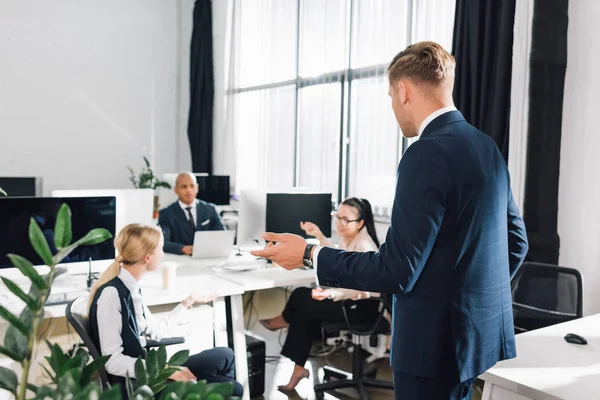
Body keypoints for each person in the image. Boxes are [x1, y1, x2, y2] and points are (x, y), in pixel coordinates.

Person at [252, 41, 529, 400]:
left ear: (403, 90)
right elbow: (516, 243)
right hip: (478, 337)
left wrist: (309, 254)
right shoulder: (485, 146)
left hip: (431, 345)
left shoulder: (426, 153)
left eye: (389, 95)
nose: (393, 107)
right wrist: (468, 304)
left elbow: (397, 270)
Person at [88, 224, 243, 397]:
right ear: (147, 258)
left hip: (149, 368)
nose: (162, 254)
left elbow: (155, 331)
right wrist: (163, 370)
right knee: (234, 388)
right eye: (161, 249)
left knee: (225, 355)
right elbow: (112, 362)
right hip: (136, 382)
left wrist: (188, 302)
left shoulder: (131, 288)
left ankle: (203, 389)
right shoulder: (111, 295)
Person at [259, 197, 381, 392]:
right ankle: (298, 370)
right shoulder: (350, 237)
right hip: (347, 303)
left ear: (360, 223)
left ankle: (282, 320)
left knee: (301, 296)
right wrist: (317, 234)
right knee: (306, 311)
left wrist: (331, 293)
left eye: (345, 219)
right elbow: (337, 256)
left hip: (362, 309)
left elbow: (366, 288)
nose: (339, 223)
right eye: (337, 217)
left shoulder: (365, 245)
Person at [158, 172, 225, 255]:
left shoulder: (210, 209)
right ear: (176, 190)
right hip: (181, 259)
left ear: (197, 188)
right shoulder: (166, 213)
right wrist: (183, 249)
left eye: (192, 186)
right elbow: (163, 243)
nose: (189, 190)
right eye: (184, 187)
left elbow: (223, 237)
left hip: (208, 256)